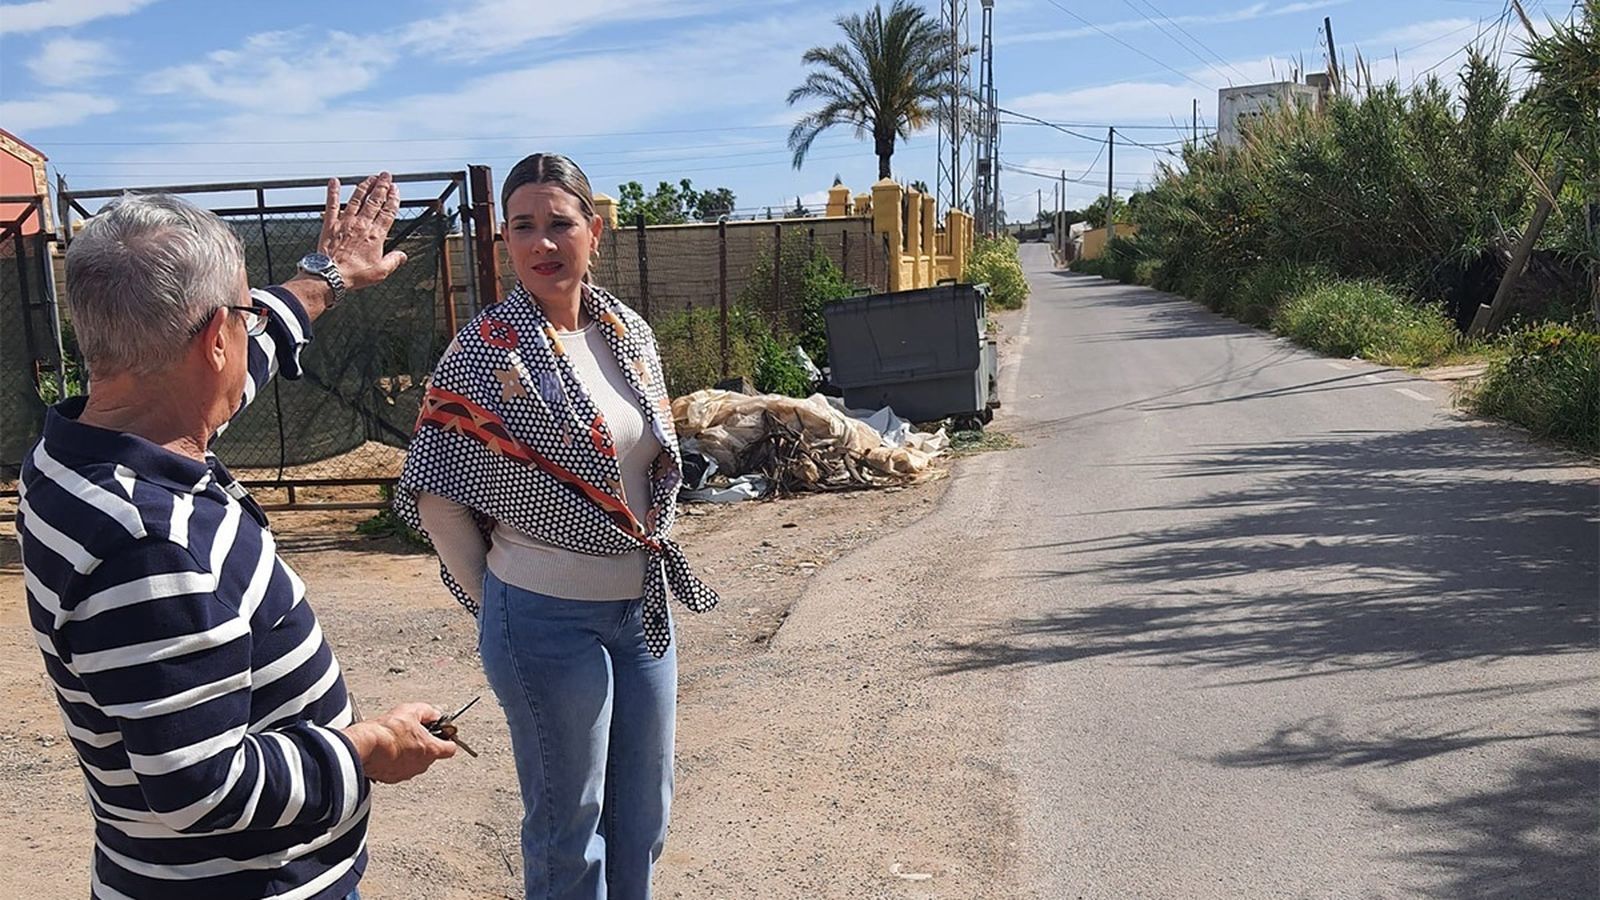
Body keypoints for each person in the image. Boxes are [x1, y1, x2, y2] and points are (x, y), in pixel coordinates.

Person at [19, 174, 457, 900]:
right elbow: (200, 788)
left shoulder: (72, 452)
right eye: (241, 313)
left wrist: (329, 276)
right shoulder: (152, 546)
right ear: (209, 342)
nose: (250, 327)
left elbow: (237, 361)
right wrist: (371, 748)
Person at [393, 153, 719, 899]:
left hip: (639, 608)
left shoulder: (627, 333)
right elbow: (439, 493)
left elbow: (649, 462)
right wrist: (500, 603)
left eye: (559, 224)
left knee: (644, 814)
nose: (543, 243)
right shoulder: (484, 351)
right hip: (541, 616)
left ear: (593, 231)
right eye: (523, 227)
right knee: (569, 828)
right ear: (503, 240)